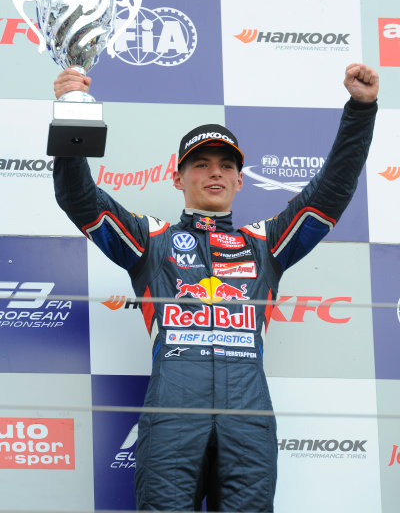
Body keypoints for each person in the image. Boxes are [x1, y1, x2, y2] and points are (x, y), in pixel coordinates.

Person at [53, 63, 378, 512]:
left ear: (240, 180)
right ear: (177, 177)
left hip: (248, 419)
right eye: (201, 164)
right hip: (171, 415)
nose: (215, 174)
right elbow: (80, 199)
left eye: (227, 166)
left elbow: (330, 193)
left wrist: (361, 112)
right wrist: (71, 116)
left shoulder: (266, 244)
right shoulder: (151, 241)